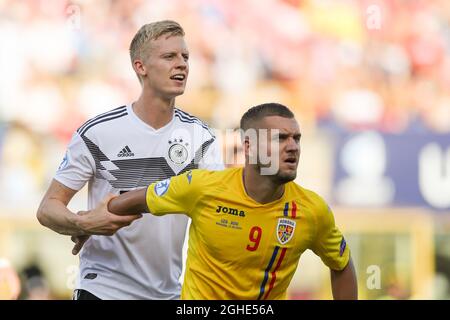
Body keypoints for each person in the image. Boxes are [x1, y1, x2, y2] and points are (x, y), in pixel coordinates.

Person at [36, 20, 223, 300]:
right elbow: (48, 207)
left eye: (185, 56)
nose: (182, 64)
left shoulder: (201, 138)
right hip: (103, 288)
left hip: (168, 291)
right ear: (141, 67)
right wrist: (82, 224)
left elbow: (218, 208)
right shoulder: (99, 132)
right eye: (169, 56)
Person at [103, 102, 358, 299]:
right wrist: (88, 224)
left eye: (297, 138)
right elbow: (132, 201)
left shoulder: (312, 211)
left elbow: (342, 264)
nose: (293, 147)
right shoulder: (202, 187)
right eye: (280, 138)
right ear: (248, 146)